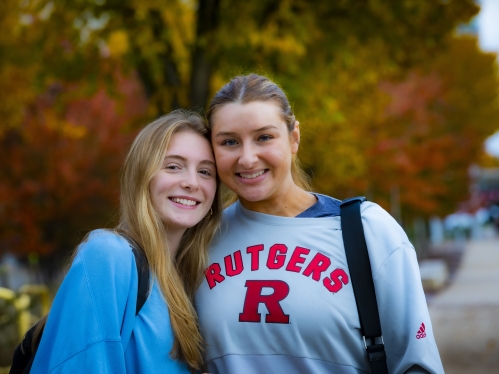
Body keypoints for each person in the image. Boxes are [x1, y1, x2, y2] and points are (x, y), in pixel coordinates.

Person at [195, 74, 444, 373]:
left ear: (294, 137)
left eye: (264, 137)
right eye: (230, 142)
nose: (247, 158)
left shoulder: (366, 230)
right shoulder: (199, 239)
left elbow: (416, 364)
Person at [26, 110, 221, 373]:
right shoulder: (108, 256)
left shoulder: (197, 282)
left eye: (206, 172)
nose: (191, 182)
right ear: (142, 177)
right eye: (173, 166)